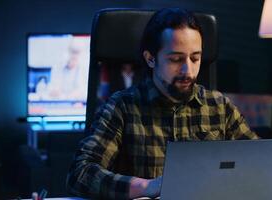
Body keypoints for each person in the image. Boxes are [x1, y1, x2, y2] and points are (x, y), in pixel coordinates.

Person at [67, 8, 259, 199]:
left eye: (195, 58)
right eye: (176, 59)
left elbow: (266, 164)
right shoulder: (122, 107)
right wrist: (148, 187)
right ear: (150, 59)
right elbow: (80, 174)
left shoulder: (219, 106)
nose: (189, 71)